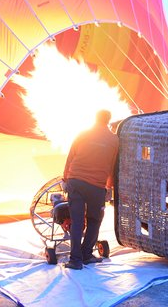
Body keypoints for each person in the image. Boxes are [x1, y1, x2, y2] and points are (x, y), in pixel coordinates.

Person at [62, 110, 119, 270]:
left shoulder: (82, 134)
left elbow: (70, 157)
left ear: (95, 118)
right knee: (94, 220)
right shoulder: (114, 140)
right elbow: (112, 167)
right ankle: (86, 254)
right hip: (96, 186)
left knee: (77, 221)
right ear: (109, 121)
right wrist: (108, 188)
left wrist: (65, 179)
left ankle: (75, 260)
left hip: (76, 181)